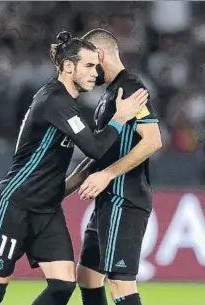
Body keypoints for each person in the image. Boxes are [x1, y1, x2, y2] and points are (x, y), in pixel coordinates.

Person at [0, 30, 148, 305]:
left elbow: (64, 161)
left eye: (96, 65)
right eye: (89, 66)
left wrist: (85, 176)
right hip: (16, 205)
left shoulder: (68, 104)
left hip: (47, 209)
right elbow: (94, 146)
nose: (95, 73)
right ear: (69, 67)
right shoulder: (54, 100)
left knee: (64, 284)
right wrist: (120, 118)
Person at [65, 28, 162, 305]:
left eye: (88, 62)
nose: (88, 71)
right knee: (87, 276)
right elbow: (99, 153)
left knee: (120, 285)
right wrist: (61, 191)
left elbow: (153, 141)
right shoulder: (109, 96)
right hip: (108, 201)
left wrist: (107, 175)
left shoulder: (131, 87)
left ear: (101, 55)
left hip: (125, 198)